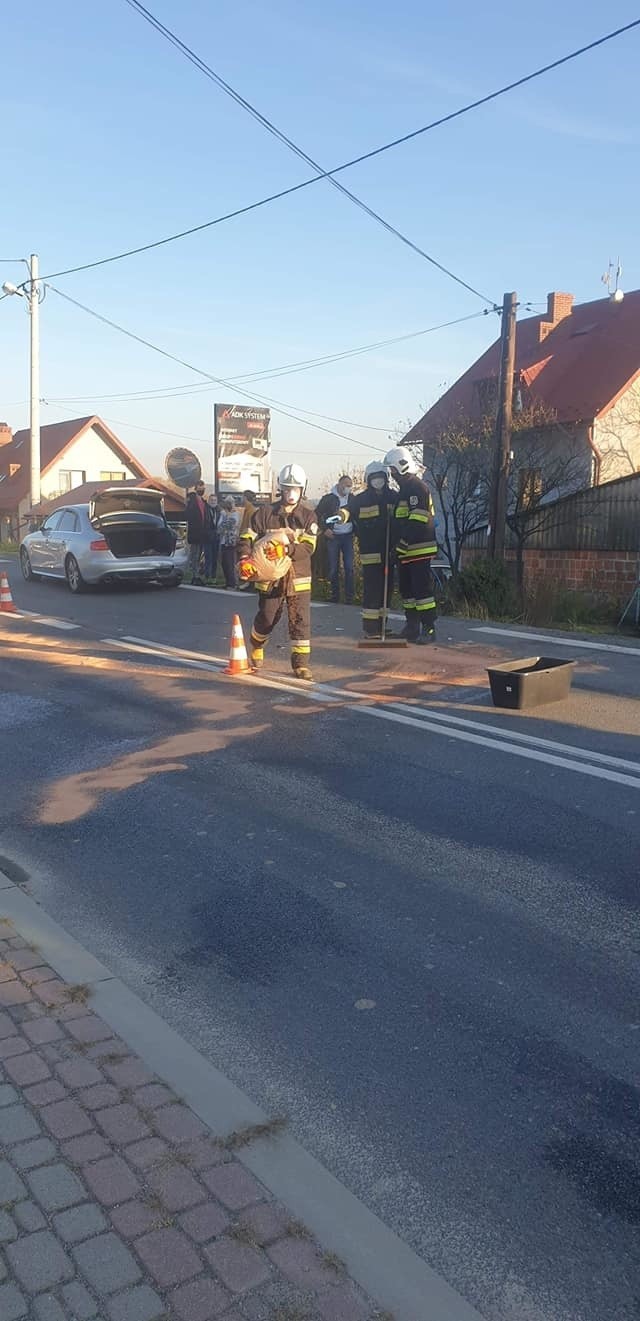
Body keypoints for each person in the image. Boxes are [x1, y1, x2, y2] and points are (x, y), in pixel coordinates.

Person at [238, 464, 318, 681]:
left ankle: (301, 665)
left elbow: (309, 548)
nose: (291, 493)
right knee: (267, 617)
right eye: (287, 488)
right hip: (270, 578)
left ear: (302, 489)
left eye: (296, 489)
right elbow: (246, 538)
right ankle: (256, 644)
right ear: (280, 488)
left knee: (300, 620)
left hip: (298, 577)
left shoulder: (309, 517)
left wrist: (287, 549)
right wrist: (245, 559)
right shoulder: (264, 514)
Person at [384, 446, 438, 644]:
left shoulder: (417, 488)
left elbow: (417, 520)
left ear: (402, 467)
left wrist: (401, 545)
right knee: (407, 590)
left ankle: (429, 628)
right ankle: (412, 626)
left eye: (393, 471)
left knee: (422, 591)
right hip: (406, 551)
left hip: (419, 549)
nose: (392, 475)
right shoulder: (404, 490)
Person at [348, 460, 395, 638]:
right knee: (373, 590)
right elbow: (349, 511)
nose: (378, 481)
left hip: (389, 551)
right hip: (370, 551)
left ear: (386, 478)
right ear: (368, 479)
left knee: (387, 589)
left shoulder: (393, 497)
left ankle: (382, 625)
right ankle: (370, 628)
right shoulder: (361, 499)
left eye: (380, 477)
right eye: (374, 478)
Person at [324, 474, 354, 603]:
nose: (348, 488)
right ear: (339, 484)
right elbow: (318, 515)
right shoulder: (328, 499)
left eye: (350, 486)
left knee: (349, 567)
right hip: (333, 537)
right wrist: (325, 529)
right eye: (346, 485)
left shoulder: (353, 499)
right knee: (333, 568)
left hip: (348, 536)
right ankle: (334, 596)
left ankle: (350, 597)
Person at [186, 479, 210, 585]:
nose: (202, 489)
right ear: (196, 488)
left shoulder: (204, 502)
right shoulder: (192, 501)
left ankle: (197, 575)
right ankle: (194, 575)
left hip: (202, 534)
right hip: (195, 533)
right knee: (194, 555)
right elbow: (188, 515)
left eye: (203, 487)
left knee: (199, 555)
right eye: (200, 487)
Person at [238, 490, 259, 591]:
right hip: (246, 540)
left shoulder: (251, 511)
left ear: (246, 498)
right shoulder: (247, 509)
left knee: (248, 562)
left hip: (249, 541)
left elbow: (249, 528)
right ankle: (248, 582)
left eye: (243, 497)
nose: (242, 499)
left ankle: (250, 583)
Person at [218, 496, 240, 589]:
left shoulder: (235, 515)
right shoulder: (223, 514)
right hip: (223, 541)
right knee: (224, 563)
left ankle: (232, 583)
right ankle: (227, 582)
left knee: (229, 562)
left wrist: (225, 516)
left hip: (230, 542)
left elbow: (226, 526)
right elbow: (218, 528)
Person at [207, 493, 220, 581]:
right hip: (207, 537)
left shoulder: (219, 511)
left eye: (215, 500)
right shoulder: (206, 510)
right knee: (208, 557)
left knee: (215, 557)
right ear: (208, 501)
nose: (213, 502)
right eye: (211, 500)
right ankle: (207, 575)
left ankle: (213, 576)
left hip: (216, 537)